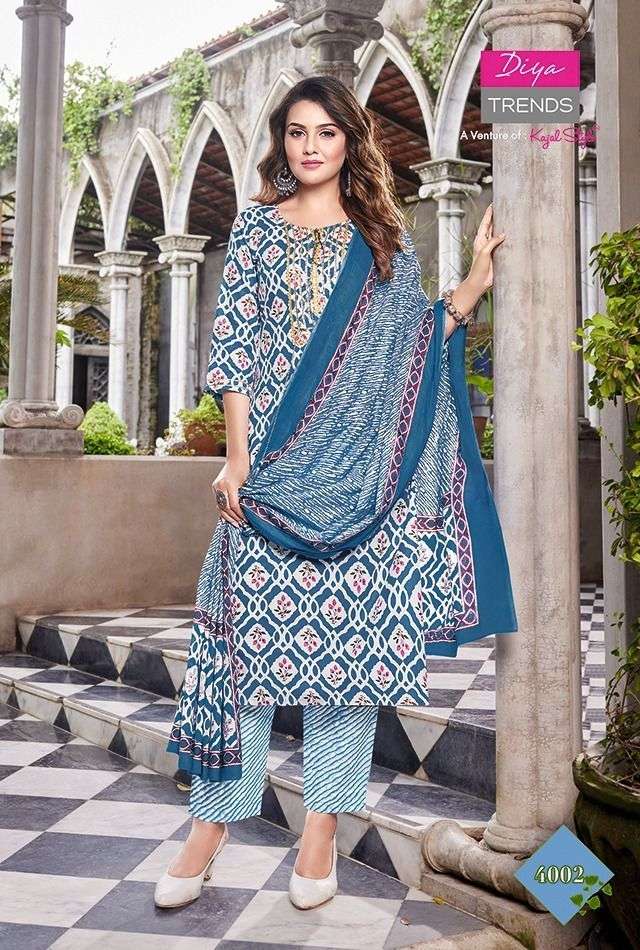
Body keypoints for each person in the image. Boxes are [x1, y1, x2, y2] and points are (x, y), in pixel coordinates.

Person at [155, 74, 517, 911]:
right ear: (281, 144)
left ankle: (320, 832)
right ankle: (211, 824)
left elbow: (412, 346)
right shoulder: (256, 229)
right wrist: (238, 458)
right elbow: (236, 350)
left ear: (350, 142)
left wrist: (471, 284)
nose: (310, 146)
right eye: (297, 132)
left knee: (346, 666)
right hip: (274, 475)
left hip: (363, 490)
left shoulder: (382, 241)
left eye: (326, 132)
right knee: (239, 659)